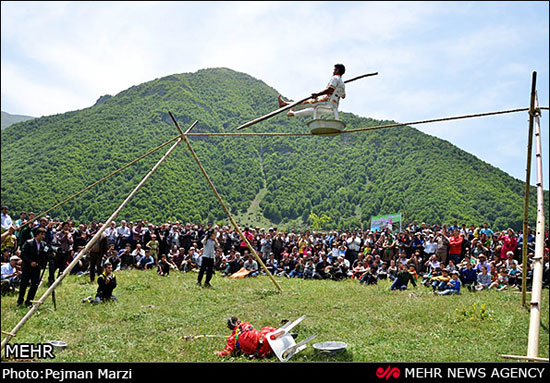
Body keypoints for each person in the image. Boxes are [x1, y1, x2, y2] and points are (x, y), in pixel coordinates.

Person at [279, 64, 346, 118]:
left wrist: (317, 94)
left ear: (337, 70)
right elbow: (343, 96)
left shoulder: (335, 78)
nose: (333, 72)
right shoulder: (342, 84)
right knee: (313, 110)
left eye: (334, 70)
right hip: (334, 105)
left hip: (327, 102)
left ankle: (285, 104)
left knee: (306, 103)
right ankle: (293, 114)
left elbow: (330, 90)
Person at [17, 227, 47, 307]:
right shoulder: (28, 242)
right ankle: (20, 301)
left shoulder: (43, 244)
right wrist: (30, 262)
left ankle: (29, 301)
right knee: (24, 284)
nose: (43, 236)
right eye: (41, 234)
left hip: (37, 268)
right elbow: (23, 254)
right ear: (37, 234)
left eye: (44, 234)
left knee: (34, 285)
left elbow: (43, 255)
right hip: (27, 267)